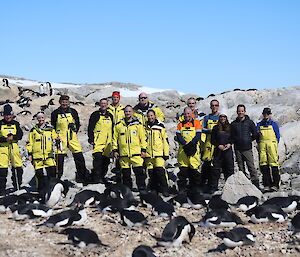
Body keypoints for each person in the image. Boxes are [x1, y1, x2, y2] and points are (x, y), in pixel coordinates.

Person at [51, 95, 89, 183]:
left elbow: (78, 123)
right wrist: (55, 136)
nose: (65, 103)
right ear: (60, 102)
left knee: (79, 156)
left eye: (66, 102)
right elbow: (53, 126)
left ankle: (81, 177)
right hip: (60, 138)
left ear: (69, 102)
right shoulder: (55, 113)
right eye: (63, 101)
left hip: (72, 137)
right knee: (59, 159)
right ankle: (57, 179)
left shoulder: (73, 112)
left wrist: (74, 128)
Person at [112, 105, 147, 191]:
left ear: (132, 112)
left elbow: (142, 138)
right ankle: (127, 190)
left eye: (129, 111)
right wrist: (115, 150)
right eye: (126, 111)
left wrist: (143, 150)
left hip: (136, 153)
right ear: (124, 112)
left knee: (139, 173)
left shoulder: (138, 125)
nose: (128, 113)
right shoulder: (119, 125)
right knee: (125, 174)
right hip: (123, 154)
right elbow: (114, 139)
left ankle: (142, 189)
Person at [26, 112, 58, 192]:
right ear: (37, 119)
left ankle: (52, 190)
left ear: (45, 118)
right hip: (37, 157)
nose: (41, 120)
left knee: (52, 174)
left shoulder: (50, 129)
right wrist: (29, 154)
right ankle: (40, 191)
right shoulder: (33, 131)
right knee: (39, 175)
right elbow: (30, 143)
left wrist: (58, 138)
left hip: (48, 156)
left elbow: (55, 136)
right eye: (39, 118)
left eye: (42, 118)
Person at [231, 105, 259, 187]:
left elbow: (255, 133)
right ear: (237, 112)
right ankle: (244, 184)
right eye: (239, 111)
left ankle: (255, 184)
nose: (240, 113)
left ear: (245, 111)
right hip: (237, 148)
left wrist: (249, 140)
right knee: (241, 167)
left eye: (242, 111)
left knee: (251, 166)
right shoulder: (233, 124)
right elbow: (231, 135)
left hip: (247, 148)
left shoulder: (249, 122)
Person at [176, 107, 202, 192]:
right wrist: (184, 143)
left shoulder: (197, 123)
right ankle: (182, 190)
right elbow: (178, 136)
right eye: (185, 114)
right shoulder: (180, 124)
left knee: (194, 171)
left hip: (193, 151)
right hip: (183, 151)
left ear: (191, 114)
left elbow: (198, 135)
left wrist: (190, 144)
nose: (187, 115)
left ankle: (195, 190)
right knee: (183, 172)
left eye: (188, 113)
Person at [88, 98, 113, 183]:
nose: (103, 105)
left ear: (107, 105)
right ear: (100, 104)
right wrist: (91, 138)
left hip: (108, 142)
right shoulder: (95, 115)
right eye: (102, 103)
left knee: (106, 161)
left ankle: (103, 176)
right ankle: (96, 178)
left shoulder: (110, 115)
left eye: (105, 103)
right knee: (97, 159)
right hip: (98, 141)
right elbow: (90, 127)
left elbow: (113, 129)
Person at [145, 110, 169, 196]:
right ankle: (154, 189)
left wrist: (166, 153)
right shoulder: (145, 127)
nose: (150, 117)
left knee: (160, 172)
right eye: (149, 116)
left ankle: (165, 189)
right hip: (148, 154)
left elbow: (165, 140)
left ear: (155, 116)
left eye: (152, 115)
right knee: (151, 173)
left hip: (158, 153)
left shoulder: (160, 126)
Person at [0, 104, 23, 195]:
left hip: (14, 147)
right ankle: (1, 190)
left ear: (12, 115)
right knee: (2, 170)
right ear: (3, 115)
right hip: (3, 149)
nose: (8, 117)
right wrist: (5, 139)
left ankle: (17, 187)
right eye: (6, 115)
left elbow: (20, 135)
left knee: (17, 167)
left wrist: (13, 137)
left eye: (9, 115)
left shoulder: (15, 124)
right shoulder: (0, 123)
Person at [257, 108, 280, 191]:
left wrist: (274, 144)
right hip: (262, 144)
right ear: (263, 114)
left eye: (267, 113)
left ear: (270, 114)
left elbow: (277, 136)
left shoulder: (274, 124)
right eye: (264, 114)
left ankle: (276, 184)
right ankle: (267, 184)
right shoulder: (259, 124)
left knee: (274, 163)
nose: (266, 115)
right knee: (263, 164)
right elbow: (257, 135)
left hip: (272, 145)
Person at [210, 114, 234, 192]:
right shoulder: (215, 128)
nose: (222, 118)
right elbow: (212, 140)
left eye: (224, 117)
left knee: (229, 169)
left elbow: (233, 138)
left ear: (226, 118)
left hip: (228, 150)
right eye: (221, 117)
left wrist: (230, 143)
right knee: (216, 169)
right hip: (218, 151)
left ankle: (230, 186)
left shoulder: (230, 127)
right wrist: (218, 145)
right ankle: (214, 187)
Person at [201, 99, 220, 187]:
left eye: (216, 105)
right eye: (212, 105)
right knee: (206, 163)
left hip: (218, 144)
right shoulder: (206, 118)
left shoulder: (221, 117)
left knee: (216, 165)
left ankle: (214, 184)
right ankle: (205, 183)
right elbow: (202, 129)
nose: (214, 107)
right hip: (208, 143)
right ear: (210, 107)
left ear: (218, 106)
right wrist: (210, 131)